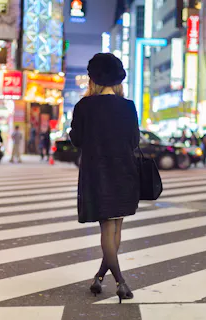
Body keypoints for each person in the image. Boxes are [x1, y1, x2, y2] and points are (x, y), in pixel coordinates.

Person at [69, 53, 139, 303]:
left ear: (93, 80)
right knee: (116, 227)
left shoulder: (84, 106)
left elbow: (76, 140)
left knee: (106, 229)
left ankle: (119, 281)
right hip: (124, 171)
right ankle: (99, 277)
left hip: (97, 172)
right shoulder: (128, 106)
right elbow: (134, 141)